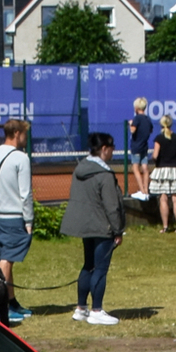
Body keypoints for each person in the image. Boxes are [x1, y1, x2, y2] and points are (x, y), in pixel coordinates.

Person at [62, 131, 125, 325]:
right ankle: (97, 309)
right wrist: (117, 230)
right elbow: (112, 205)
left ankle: (81, 308)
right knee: (100, 268)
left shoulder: (80, 168)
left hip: (85, 226)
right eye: (112, 148)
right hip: (102, 227)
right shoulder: (104, 174)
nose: (113, 152)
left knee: (88, 266)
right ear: (104, 149)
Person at [0, 118, 35, 324]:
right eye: (25, 134)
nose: (26, 139)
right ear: (17, 134)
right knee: (6, 261)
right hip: (14, 217)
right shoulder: (21, 158)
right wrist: (29, 219)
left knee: (4, 258)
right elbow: (26, 193)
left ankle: (11, 302)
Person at [149, 114, 176, 232]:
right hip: (175, 170)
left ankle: (165, 226)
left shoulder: (159, 138)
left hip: (162, 169)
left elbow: (155, 155)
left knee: (163, 198)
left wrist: (156, 160)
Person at [125, 97, 154, 197]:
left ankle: (142, 190)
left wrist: (130, 124)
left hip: (136, 147)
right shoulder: (147, 119)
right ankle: (146, 190)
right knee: (145, 168)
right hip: (144, 147)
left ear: (136, 107)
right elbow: (150, 130)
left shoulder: (137, 118)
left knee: (135, 168)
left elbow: (133, 130)